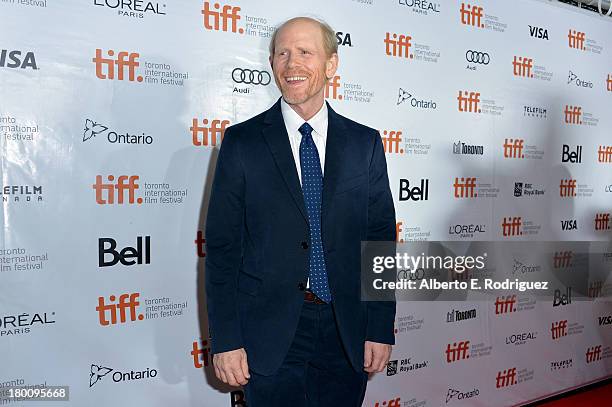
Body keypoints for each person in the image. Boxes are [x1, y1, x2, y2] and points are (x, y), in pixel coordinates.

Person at [205, 16, 396, 406]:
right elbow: (223, 250)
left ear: (331, 64)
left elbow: (380, 243)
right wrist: (226, 339)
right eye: (282, 53)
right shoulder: (242, 142)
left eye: (305, 52)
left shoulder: (365, 143)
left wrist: (380, 327)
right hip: (268, 333)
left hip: (346, 330)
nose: (291, 64)